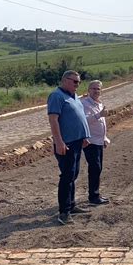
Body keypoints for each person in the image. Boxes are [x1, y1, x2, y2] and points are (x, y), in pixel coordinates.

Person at [47, 70, 91, 225]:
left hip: (77, 142)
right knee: (67, 176)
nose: (77, 85)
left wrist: (83, 136)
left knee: (74, 174)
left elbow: (77, 117)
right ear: (65, 80)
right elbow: (53, 120)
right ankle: (64, 212)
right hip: (66, 144)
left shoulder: (73, 97)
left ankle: (72, 205)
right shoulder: (56, 96)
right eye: (75, 82)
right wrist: (59, 142)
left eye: (79, 82)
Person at [81, 80, 110, 205]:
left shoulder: (98, 103)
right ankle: (93, 197)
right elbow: (85, 121)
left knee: (98, 168)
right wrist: (99, 115)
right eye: (93, 88)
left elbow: (102, 123)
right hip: (90, 141)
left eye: (98, 89)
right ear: (88, 90)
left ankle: (95, 194)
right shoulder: (85, 104)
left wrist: (104, 138)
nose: (96, 91)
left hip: (99, 141)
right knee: (95, 168)